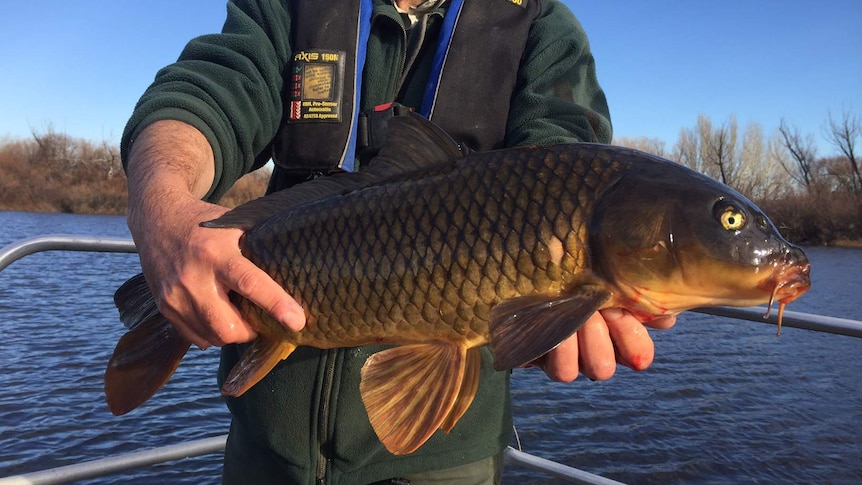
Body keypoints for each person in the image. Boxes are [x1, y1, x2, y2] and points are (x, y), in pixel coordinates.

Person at [120, 0, 676, 483]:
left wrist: (552, 307)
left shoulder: (537, 23)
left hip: (444, 454)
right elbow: (211, 88)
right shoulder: (296, 5)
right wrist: (162, 206)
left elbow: (565, 162)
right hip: (268, 441)